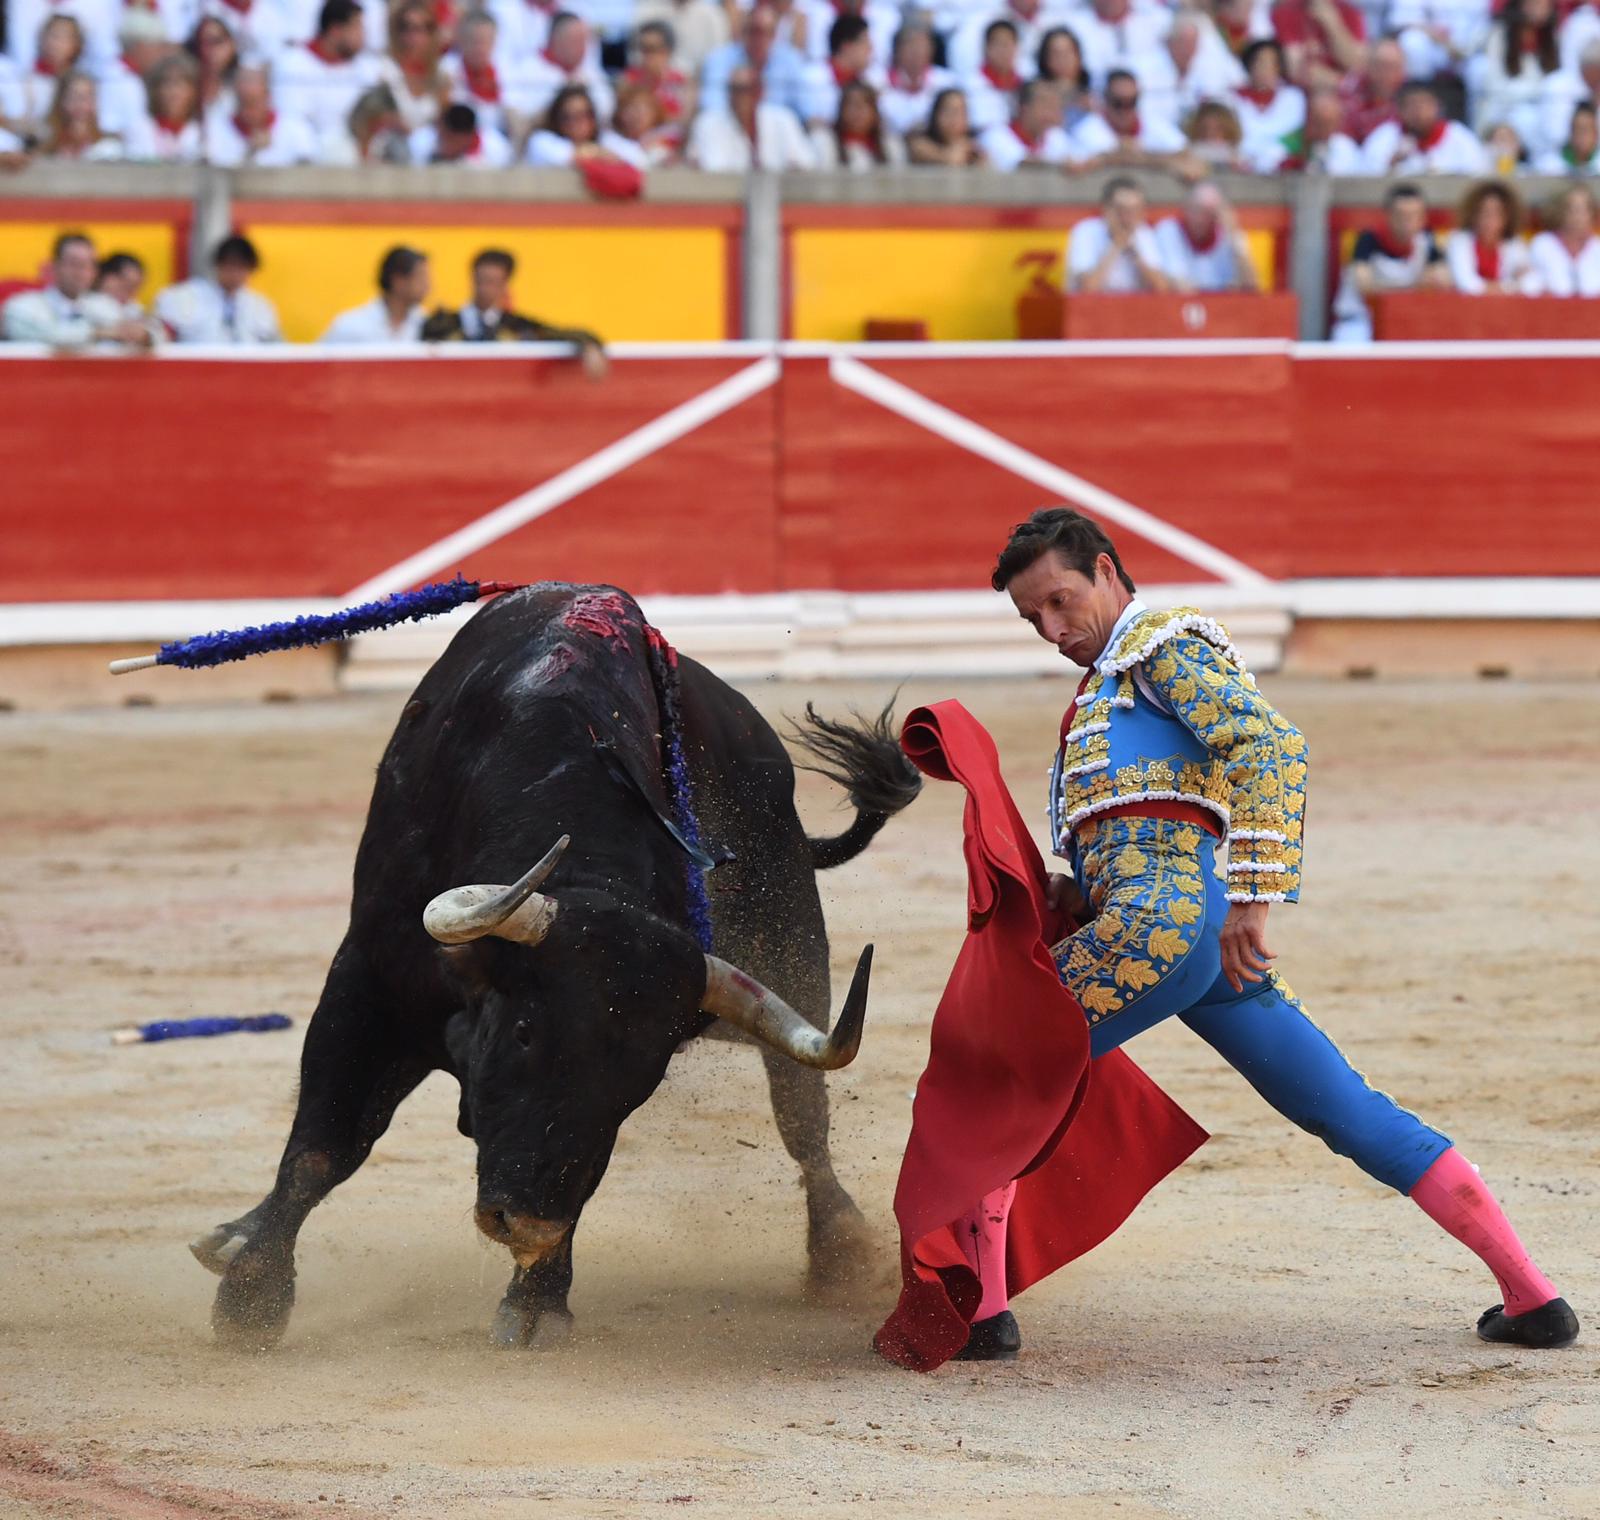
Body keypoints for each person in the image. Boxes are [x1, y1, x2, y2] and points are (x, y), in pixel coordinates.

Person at [936, 507, 1581, 1363]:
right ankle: (1533, 1297)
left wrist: (1254, 895)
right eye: (1033, 619)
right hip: (1193, 944)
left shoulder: (1160, 645)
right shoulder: (1115, 684)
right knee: (1349, 1111)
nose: (1054, 630)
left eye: (1060, 601)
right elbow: (1152, 824)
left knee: (994, 1074)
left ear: (1105, 569)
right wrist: (1075, 889)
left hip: (1165, 931)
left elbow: (1270, 747)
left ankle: (980, 1313)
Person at [421, 247, 607, 380]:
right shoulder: (442, 324)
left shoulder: (517, 325)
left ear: (504, 286)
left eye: (492, 282)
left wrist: (589, 345)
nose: (484, 288)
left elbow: (567, 333)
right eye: (480, 280)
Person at [1330, 182, 1449, 343]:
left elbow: (1443, 280)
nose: (1407, 222)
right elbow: (1365, 287)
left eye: (1414, 215)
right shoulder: (1368, 239)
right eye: (1401, 215)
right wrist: (1415, 286)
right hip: (1360, 320)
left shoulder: (1426, 240)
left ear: (1423, 218)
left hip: (1404, 322)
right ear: (1388, 215)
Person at [2, 230, 152, 349]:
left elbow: (151, 330)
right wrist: (97, 333)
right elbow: (46, 334)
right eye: (74, 264)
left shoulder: (105, 305)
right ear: (55, 266)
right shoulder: (23, 305)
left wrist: (144, 335)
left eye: (88, 265)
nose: (81, 272)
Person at [275, 0, 380, 147]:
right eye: (356, 28)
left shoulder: (368, 68)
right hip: (311, 154)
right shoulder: (294, 64)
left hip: (358, 150)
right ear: (335, 30)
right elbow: (293, 123)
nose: (363, 35)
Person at [156, 233, 283, 344]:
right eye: (231, 265)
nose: (236, 273)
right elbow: (162, 335)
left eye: (243, 267)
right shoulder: (183, 296)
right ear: (218, 264)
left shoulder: (260, 305)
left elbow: (275, 346)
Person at [1064, 67, 1196, 173]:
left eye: (1132, 102)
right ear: (1105, 100)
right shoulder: (1087, 129)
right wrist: (1118, 154)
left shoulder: (1154, 124)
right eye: (1118, 103)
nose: (1125, 110)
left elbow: (1187, 155)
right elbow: (1074, 166)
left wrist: (1141, 156)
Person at [688, 63, 816, 168]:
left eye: (746, 90)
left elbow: (805, 164)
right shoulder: (707, 124)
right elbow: (704, 169)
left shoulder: (783, 120)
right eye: (734, 89)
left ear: (760, 92)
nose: (740, 97)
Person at [1476, 0, 1563, 148]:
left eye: (1545, 5)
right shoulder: (1501, 34)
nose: (1540, 10)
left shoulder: (1552, 37)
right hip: (1505, 105)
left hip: (1540, 107)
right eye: (1535, 4)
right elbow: (1494, 82)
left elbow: (1555, 82)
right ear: (1521, 5)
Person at [1142, 11, 1246, 133]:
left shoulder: (1208, 70)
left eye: (1192, 44)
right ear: (1170, 43)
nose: (1188, 50)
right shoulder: (1148, 71)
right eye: (1183, 43)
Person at [1067, 175, 1173, 293]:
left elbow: (1162, 288)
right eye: (1122, 210)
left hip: (1133, 307)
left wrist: (1135, 254)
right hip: (1093, 308)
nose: (1129, 218)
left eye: (1136, 210)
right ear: (1106, 210)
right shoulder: (1086, 231)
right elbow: (1087, 288)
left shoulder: (1144, 233)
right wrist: (1116, 246)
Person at [699, 4, 808, 117]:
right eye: (753, 32)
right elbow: (711, 105)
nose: (758, 39)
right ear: (743, 33)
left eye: (764, 32)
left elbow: (807, 108)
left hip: (778, 129)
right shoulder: (719, 59)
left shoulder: (791, 60)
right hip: (731, 126)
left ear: (774, 35)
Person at [1361, 80, 1488, 175]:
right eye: (1412, 105)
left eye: (1425, 104)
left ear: (1437, 107)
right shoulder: (1384, 137)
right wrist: (1391, 164)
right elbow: (1365, 179)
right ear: (1399, 109)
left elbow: (1476, 174)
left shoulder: (1459, 136)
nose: (1419, 111)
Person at [1154, 181, 1261, 292]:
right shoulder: (1169, 230)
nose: (1201, 218)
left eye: (1208, 213)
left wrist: (1234, 237)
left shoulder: (1229, 234)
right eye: (1197, 210)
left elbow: (1252, 285)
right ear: (1186, 208)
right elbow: (1177, 284)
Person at [207, 62, 319, 166]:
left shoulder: (296, 130)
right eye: (244, 102)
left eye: (254, 102)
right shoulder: (214, 131)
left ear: (267, 95)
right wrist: (250, 153)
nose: (249, 111)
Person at [320, 245, 431, 343]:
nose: (427, 285)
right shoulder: (350, 327)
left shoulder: (425, 325)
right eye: (420, 277)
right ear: (398, 280)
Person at [1445, 180, 1538, 294]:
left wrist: (1497, 288)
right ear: (1473, 215)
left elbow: (1534, 284)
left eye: (1497, 214)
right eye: (1485, 213)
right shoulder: (1459, 241)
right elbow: (1466, 283)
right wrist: (1511, 286)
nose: (1490, 221)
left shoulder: (1514, 244)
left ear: (1507, 218)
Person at [526, 83, 647, 167]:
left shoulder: (606, 139)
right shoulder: (541, 140)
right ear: (556, 119)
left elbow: (638, 159)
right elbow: (564, 157)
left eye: (582, 115)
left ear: (593, 117)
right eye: (567, 117)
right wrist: (599, 154)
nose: (575, 123)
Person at [1256, 80, 1363, 170]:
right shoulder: (1281, 149)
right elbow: (1265, 166)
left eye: (1330, 124)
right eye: (1319, 123)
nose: (1323, 131)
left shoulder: (1346, 147)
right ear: (1309, 118)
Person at [1231, 38, 1306, 165]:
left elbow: (1293, 140)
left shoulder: (1294, 98)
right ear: (1249, 65)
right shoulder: (1231, 98)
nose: (1266, 69)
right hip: (1240, 163)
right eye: (1261, 62)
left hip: (1282, 168)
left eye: (1273, 63)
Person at [801, 14, 885, 124]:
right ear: (847, 46)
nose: (871, 49)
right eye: (866, 43)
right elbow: (810, 120)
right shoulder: (811, 78)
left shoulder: (870, 83)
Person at [879, 21, 955, 138]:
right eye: (910, 45)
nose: (916, 51)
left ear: (932, 49)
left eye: (922, 45)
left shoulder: (946, 82)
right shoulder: (878, 81)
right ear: (897, 50)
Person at [123, 53, 205, 162]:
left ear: (193, 91)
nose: (174, 93)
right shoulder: (140, 129)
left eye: (181, 84)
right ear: (156, 90)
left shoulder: (202, 132)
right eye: (167, 84)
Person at [978, 76, 1071, 170]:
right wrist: (1060, 165)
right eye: (1045, 105)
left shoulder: (1057, 137)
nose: (1051, 113)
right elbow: (1020, 166)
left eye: (1055, 107)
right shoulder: (994, 136)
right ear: (1024, 107)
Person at [1270, 0, 1367, 89]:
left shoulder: (1351, 12)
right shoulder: (1285, 12)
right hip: (1299, 95)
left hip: (1342, 97)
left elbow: (1357, 65)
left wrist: (1331, 23)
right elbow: (1295, 71)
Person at [32, 69, 124, 160]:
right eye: (74, 97)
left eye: (87, 97)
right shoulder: (46, 142)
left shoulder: (107, 145)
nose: (80, 104)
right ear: (61, 100)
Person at [809, 79, 904, 166]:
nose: (858, 111)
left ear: (875, 112)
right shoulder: (825, 142)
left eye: (865, 104)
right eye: (852, 104)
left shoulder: (891, 146)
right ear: (841, 110)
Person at [1529, 183, 1600, 295]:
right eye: (1572, 209)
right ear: (1561, 212)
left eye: (1583, 210)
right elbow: (1530, 284)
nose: (1577, 216)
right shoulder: (1543, 244)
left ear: (1592, 214)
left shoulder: (1597, 247)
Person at [634, 0, 730, 77]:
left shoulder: (712, 15)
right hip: (652, 81)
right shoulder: (648, 9)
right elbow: (635, 56)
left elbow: (718, 60)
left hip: (698, 84)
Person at [962, 18, 1025, 133]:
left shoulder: (1025, 84)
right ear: (986, 48)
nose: (1004, 51)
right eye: (999, 45)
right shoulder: (970, 85)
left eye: (1008, 44)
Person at [1339, 33, 1404, 143]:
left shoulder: (1410, 94)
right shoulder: (1351, 89)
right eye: (1381, 66)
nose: (1387, 74)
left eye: (1393, 67)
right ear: (1368, 67)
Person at [1033, 25, 1097, 134]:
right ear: (1045, 59)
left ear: (1078, 56)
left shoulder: (1094, 91)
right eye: (1056, 54)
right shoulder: (1034, 96)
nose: (1063, 59)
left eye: (1068, 52)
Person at [906, 85, 986, 165]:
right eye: (949, 111)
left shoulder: (974, 148)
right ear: (936, 113)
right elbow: (952, 159)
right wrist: (948, 155)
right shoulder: (919, 142)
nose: (954, 118)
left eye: (960, 112)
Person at [1537, 98, 1600, 172]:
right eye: (1577, 130)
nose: (1581, 136)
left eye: (1586, 130)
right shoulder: (1550, 165)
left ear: (1595, 133)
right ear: (1570, 131)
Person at [1185, 99, 1249, 170]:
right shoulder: (1188, 154)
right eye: (1204, 128)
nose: (1210, 133)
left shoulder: (1241, 159)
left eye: (1218, 128)